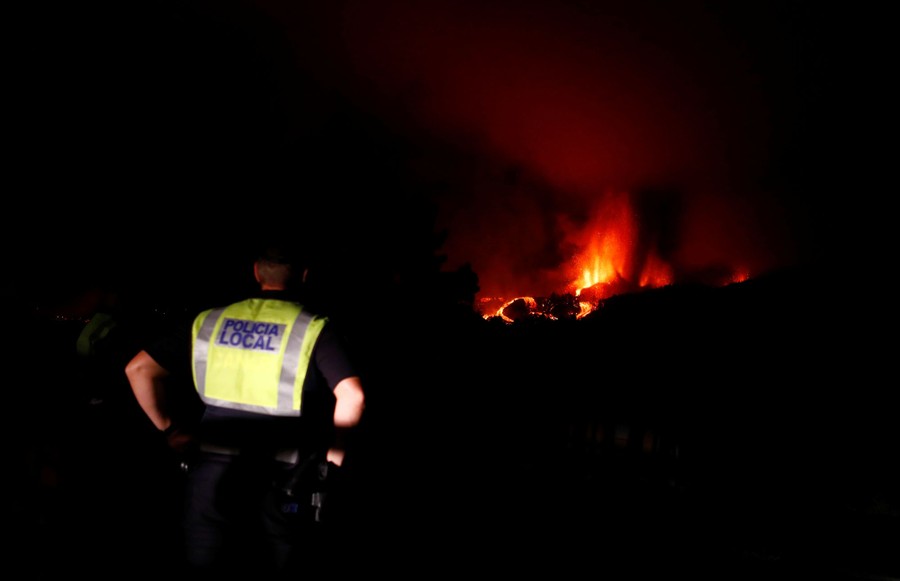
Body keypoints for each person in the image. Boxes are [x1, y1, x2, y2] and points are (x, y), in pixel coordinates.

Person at [124, 243, 365, 577]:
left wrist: (170, 430)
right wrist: (332, 467)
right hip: (281, 478)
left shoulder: (209, 321)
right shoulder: (315, 328)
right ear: (305, 275)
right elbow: (352, 396)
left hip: (209, 475)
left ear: (256, 272)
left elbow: (138, 370)